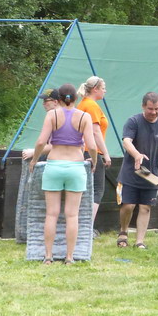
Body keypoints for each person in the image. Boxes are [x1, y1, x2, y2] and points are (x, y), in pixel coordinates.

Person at [28, 84, 98, 265]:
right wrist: (94, 161)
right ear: (76, 98)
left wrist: (34, 160)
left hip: (54, 166)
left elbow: (41, 142)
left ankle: (48, 256)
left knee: (51, 214)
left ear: (58, 100)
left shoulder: (52, 115)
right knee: (72, 215)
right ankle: (69, 257)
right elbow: (91, 146)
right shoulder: (84, 117)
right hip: (76, 167)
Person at [117, 92, 158, 249]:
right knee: (128, 205)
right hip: (130, 173)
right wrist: (137, 155)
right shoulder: (133, 121)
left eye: (157, 109)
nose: (154, 112)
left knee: (145, 207)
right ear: (143, 106)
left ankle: (139, 241)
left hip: (151, 175)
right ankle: (123, 232)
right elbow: (126, 141)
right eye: (150, 109)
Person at [76, 76, 113, 229]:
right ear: (95, 89)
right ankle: (87, 228)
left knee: (84, 190)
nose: (105, 91)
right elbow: (96, 132)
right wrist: (106, 154)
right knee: (97, 190)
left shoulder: (83, 104)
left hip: (81, 152)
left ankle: (81, 226)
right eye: (103, 88)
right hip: (90, 153)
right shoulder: (91, 105)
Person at [22, 88, 59, 161]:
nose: (43, 104)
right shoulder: (63, 115)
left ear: (55, 102)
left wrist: (34, 152)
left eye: (46, 101)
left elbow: (54, 146)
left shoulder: (56, 117)